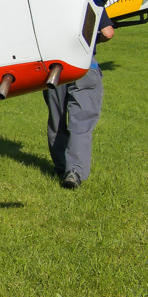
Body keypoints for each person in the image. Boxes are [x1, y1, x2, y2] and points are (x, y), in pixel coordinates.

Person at [46, 18, 114, 189]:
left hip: (52, 68)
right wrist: (93, 39)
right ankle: (74, 171)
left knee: (57, 119)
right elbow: (108, 33)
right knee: (81, 122)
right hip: (83, 66)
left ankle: (61, 167)